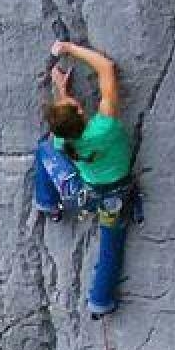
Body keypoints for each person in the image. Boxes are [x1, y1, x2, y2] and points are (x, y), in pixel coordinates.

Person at [30, 37, 137, 316]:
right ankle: (99, 302)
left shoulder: (62, 142)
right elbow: (106, 69)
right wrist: (69, 49)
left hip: (83, 196)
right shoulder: (104, 127)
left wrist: (60, 91)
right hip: (115, 197)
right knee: (110, 248)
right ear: (80, 110)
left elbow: (62, 128)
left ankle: (48, 203)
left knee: (42, 150)